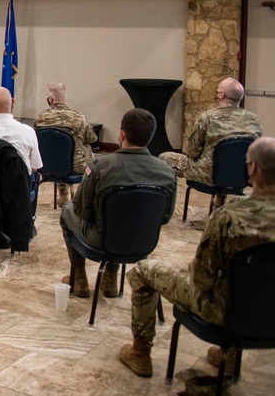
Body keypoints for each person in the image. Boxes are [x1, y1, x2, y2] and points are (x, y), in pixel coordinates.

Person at [118, 136, 275, 379]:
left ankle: (140, 353)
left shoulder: (228, 218)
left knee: (143, 270)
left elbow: (202, 280)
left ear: (252, 168)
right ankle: (230, 357)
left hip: (225, 311)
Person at [60, 108, 176, 298]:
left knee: (67, 210)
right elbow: (165, 217)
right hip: (144, 241)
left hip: (102, 239)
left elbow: (82, 211)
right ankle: (110, 277)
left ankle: (79, 278)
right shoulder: (166, 172)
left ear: (122, 134)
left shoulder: (100, 167)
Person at [159, 77, 263, 190]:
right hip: (242, 174)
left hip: (209, 175)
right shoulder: (254, 119)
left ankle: (165, 204)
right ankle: (221, 200)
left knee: (164, 157)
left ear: (221, 95)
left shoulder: (207, 118)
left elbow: (193, 152)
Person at [34, 82, 98, 205]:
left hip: (46, 165)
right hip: (74, 166)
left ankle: (62, 195)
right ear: (65, 98)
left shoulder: (40, 118)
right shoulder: (78, 117)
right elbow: (92, 138)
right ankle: (85, 198)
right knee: (85, 149)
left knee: (55, 150)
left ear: (50, 99)